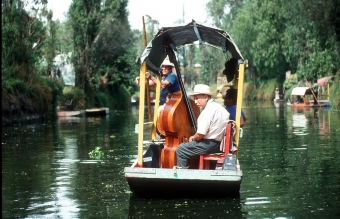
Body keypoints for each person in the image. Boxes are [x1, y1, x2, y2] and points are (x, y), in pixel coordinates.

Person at [176, 84, 230, 169]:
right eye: (194, 99)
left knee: (181, 149)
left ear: (205, 97)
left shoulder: (207, 112)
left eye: (197, 98)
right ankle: (208, 171)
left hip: (208, 145)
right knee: (192, 147)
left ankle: (184, 176)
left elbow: (200, 134)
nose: (195, 102)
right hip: (219, 145)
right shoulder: (221, 108)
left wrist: (193, 138)